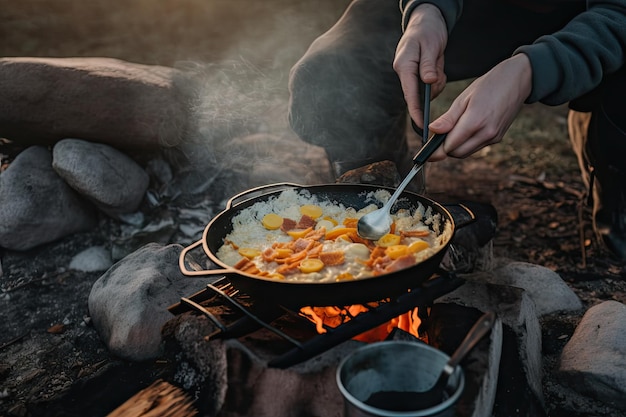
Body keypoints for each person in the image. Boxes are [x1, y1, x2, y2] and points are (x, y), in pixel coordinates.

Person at [287, 0, 626, 261]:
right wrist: (426, 10)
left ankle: (611, 158)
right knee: (326, 75)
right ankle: (387, 199)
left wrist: (533, 70)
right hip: (467, 10)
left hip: (587, 17)